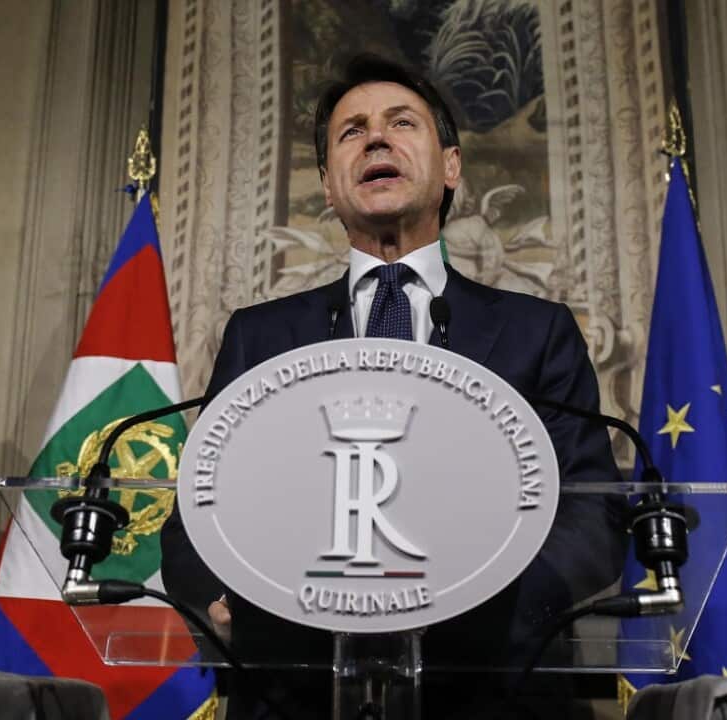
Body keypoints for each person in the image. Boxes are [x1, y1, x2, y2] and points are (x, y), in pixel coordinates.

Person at [160, 54, 626, 717]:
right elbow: (200, 508)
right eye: (351, 131)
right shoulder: (259, 337)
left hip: (493, 690)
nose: (375, 138)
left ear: (451, 167)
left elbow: (592, 507)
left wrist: (490, 603)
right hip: (297, 688)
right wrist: (221, 597)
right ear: (327, 184)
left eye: (401, 123)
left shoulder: (536, 333)